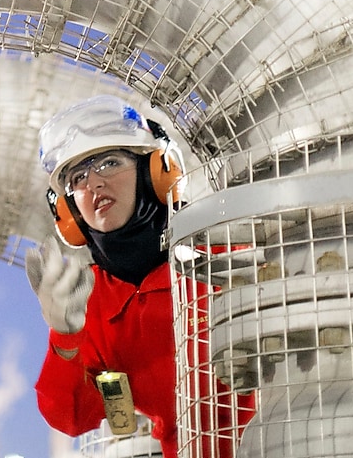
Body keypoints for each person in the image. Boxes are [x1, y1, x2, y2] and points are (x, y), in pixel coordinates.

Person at [25, 95, 255, 457]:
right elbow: (70, 416)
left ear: (159, 173)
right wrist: (65, 337)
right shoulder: (92, 300)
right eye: (77, 177)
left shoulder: (225, 256)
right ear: (67, 211)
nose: (94, 184)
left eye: (110, 162)